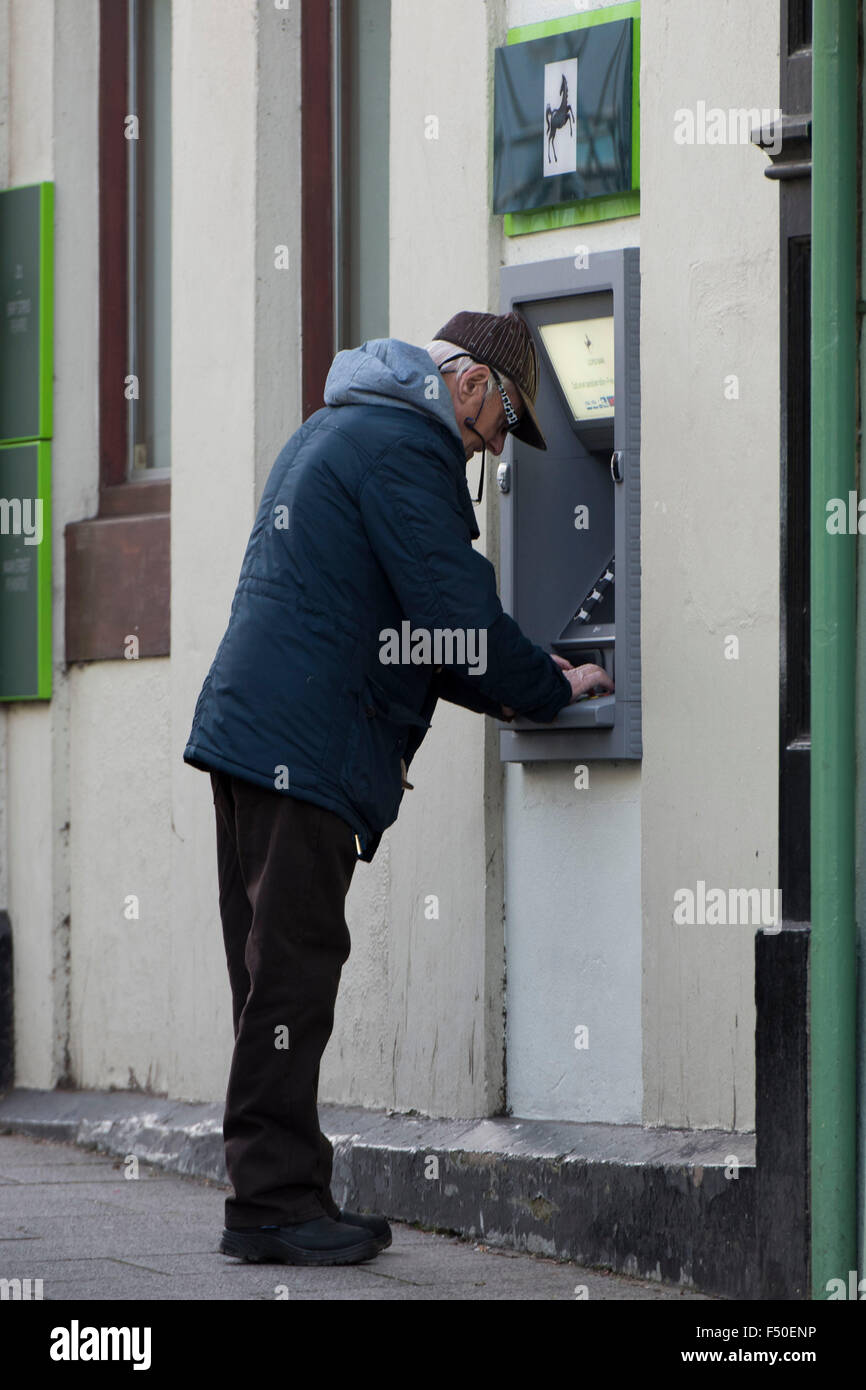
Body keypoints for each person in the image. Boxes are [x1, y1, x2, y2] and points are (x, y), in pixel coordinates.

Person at [183, 309, 614, 1267]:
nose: (491, 453)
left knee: (268, 980)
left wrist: (509, 688)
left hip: (253, 737)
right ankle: (274, 1209)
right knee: (292, 978)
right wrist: (548, 685)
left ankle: (274, 1195)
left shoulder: (343, 426)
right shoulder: (406, 449)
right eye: (498, 430)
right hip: (303, 745)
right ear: (469, 385)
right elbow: (452, 606)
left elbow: (412, 628)